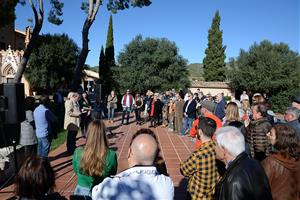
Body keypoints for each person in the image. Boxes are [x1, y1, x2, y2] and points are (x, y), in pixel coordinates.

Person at [92, 129, 174, 200]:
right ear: (156, 156)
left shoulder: (113, 184)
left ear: (129, 152)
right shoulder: (167, 183)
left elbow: (95, 194)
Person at [214, 126, 272, 200]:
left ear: (223, 150)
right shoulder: (254, 163)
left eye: (215, 144)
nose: (214, 148)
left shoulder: (235, 181)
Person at [73, 120, 117, 197]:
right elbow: (112, 175)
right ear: (103, 134)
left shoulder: (78, 152)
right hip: (101, 192)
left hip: (80, 192)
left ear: (88, 134)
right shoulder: (111, 155)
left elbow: (76, 171)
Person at [180, 117, 218, 200]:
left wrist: (182, 163)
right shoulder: (218, 149)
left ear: (200, 132)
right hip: (213, 194)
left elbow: (183, 170)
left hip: (198, 195)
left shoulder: (198, 155)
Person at [261, 124, 300, 200]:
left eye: (271, 134)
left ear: (280, 139)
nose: (267, 134)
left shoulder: (270, 162)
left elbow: (261, 189)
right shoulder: (297, 158)